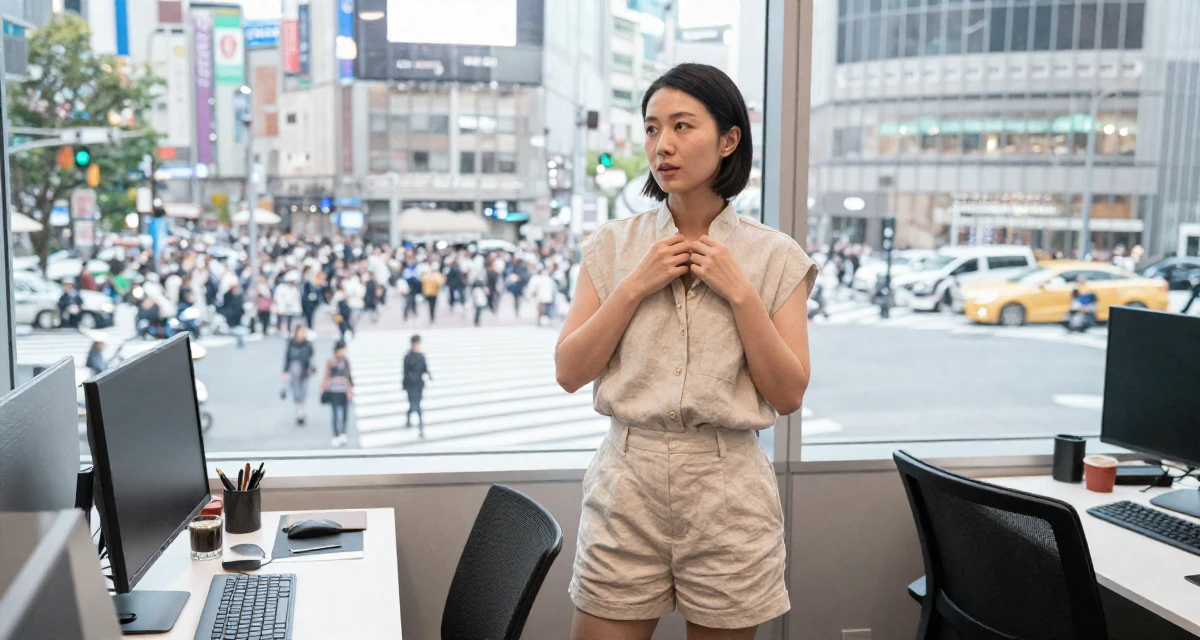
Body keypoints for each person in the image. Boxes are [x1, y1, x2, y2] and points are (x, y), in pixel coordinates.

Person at [555, 63, 816, 639]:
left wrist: (741, 293)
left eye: (681, 126)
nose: (662, 145)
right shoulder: (614, 245)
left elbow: (788, 394)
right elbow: (570, 371)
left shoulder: (776, 257)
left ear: (728, 140)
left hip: (727, 487)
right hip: (627, 479)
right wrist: (634, 285)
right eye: (651, 129)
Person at [320, 340, 354, 448]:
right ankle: (336, 434)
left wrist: (350, 389)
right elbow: (326, 374)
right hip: (333, 390)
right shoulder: (331, 361)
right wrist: (323, 387)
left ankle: (343, 433)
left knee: (344, 413)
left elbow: (349, 376)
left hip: (343, 390)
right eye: (342, 350)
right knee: (335, 413)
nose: (343, 352)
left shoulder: (346, 361)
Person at [282, 324, 315, 425]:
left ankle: (302, 409)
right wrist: (285, 371)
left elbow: (311, 358)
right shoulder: (291, 343)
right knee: (296, 392)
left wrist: (311, 368)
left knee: (304, 392)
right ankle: (299, 412)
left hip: (305, 371)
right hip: (294, 371)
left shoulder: (308, 344)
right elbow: (287, 358)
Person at [401, 334, 432, 437]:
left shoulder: (421, 356)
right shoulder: (408, 357)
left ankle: (419, 426)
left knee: (417, 405)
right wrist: (404, 384)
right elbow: (405, 372)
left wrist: (429, 375)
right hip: (410, 385)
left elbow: (425, 368)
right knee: (414, 406)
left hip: (419, 385)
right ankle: (419, 425)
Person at [221, 283, 248, 348]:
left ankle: (240, 340)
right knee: (233, 328)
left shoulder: (239, 295)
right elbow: (226, 305)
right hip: (231, 314)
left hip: (238, 314)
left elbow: (241, 305)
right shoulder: (227, 295)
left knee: (239, 328)